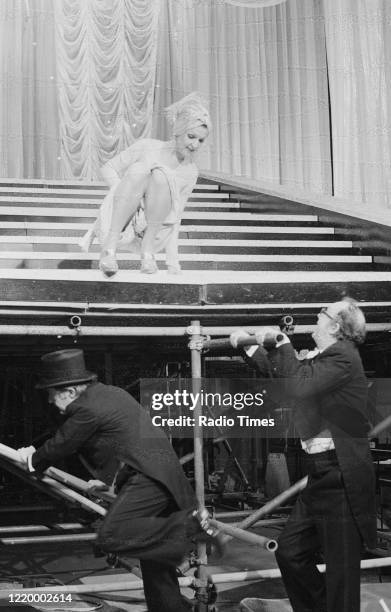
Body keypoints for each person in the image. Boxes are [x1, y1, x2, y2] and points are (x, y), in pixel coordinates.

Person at [16, 348, 221, 612]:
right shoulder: (110, 394)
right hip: (162, 480)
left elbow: (61, 444)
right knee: (154, 564)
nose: (49, 401)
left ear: (68, 391)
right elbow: (124, 445)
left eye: (51, 394)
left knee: (109, 534)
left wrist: (31, 457)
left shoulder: (87, 408)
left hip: (149, 481)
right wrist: (109, 484)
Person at [230, 298, 376, 612]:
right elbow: (284, 374)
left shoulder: (343, 357)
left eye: (324, 313)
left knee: (341, 570)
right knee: (290, 551)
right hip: (321, 472)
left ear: (335, 326)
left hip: (341, 476)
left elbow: (296, 384)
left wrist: (281, 342)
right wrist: (250, 347)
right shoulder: (324, 358)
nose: (318, 316)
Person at [80, 92, 211, 277]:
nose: (195, 145)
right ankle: (109, 249)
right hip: (122, 218)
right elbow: (108, 168)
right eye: (191, 136)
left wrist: (173, 264)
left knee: (160, 175)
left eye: (201, 140)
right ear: (178, 131)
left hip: (155, 229)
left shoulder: (190, 172)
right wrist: (123, 192)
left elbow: (177, 216)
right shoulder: (147, 146)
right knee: (139, 170)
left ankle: (147, 253)